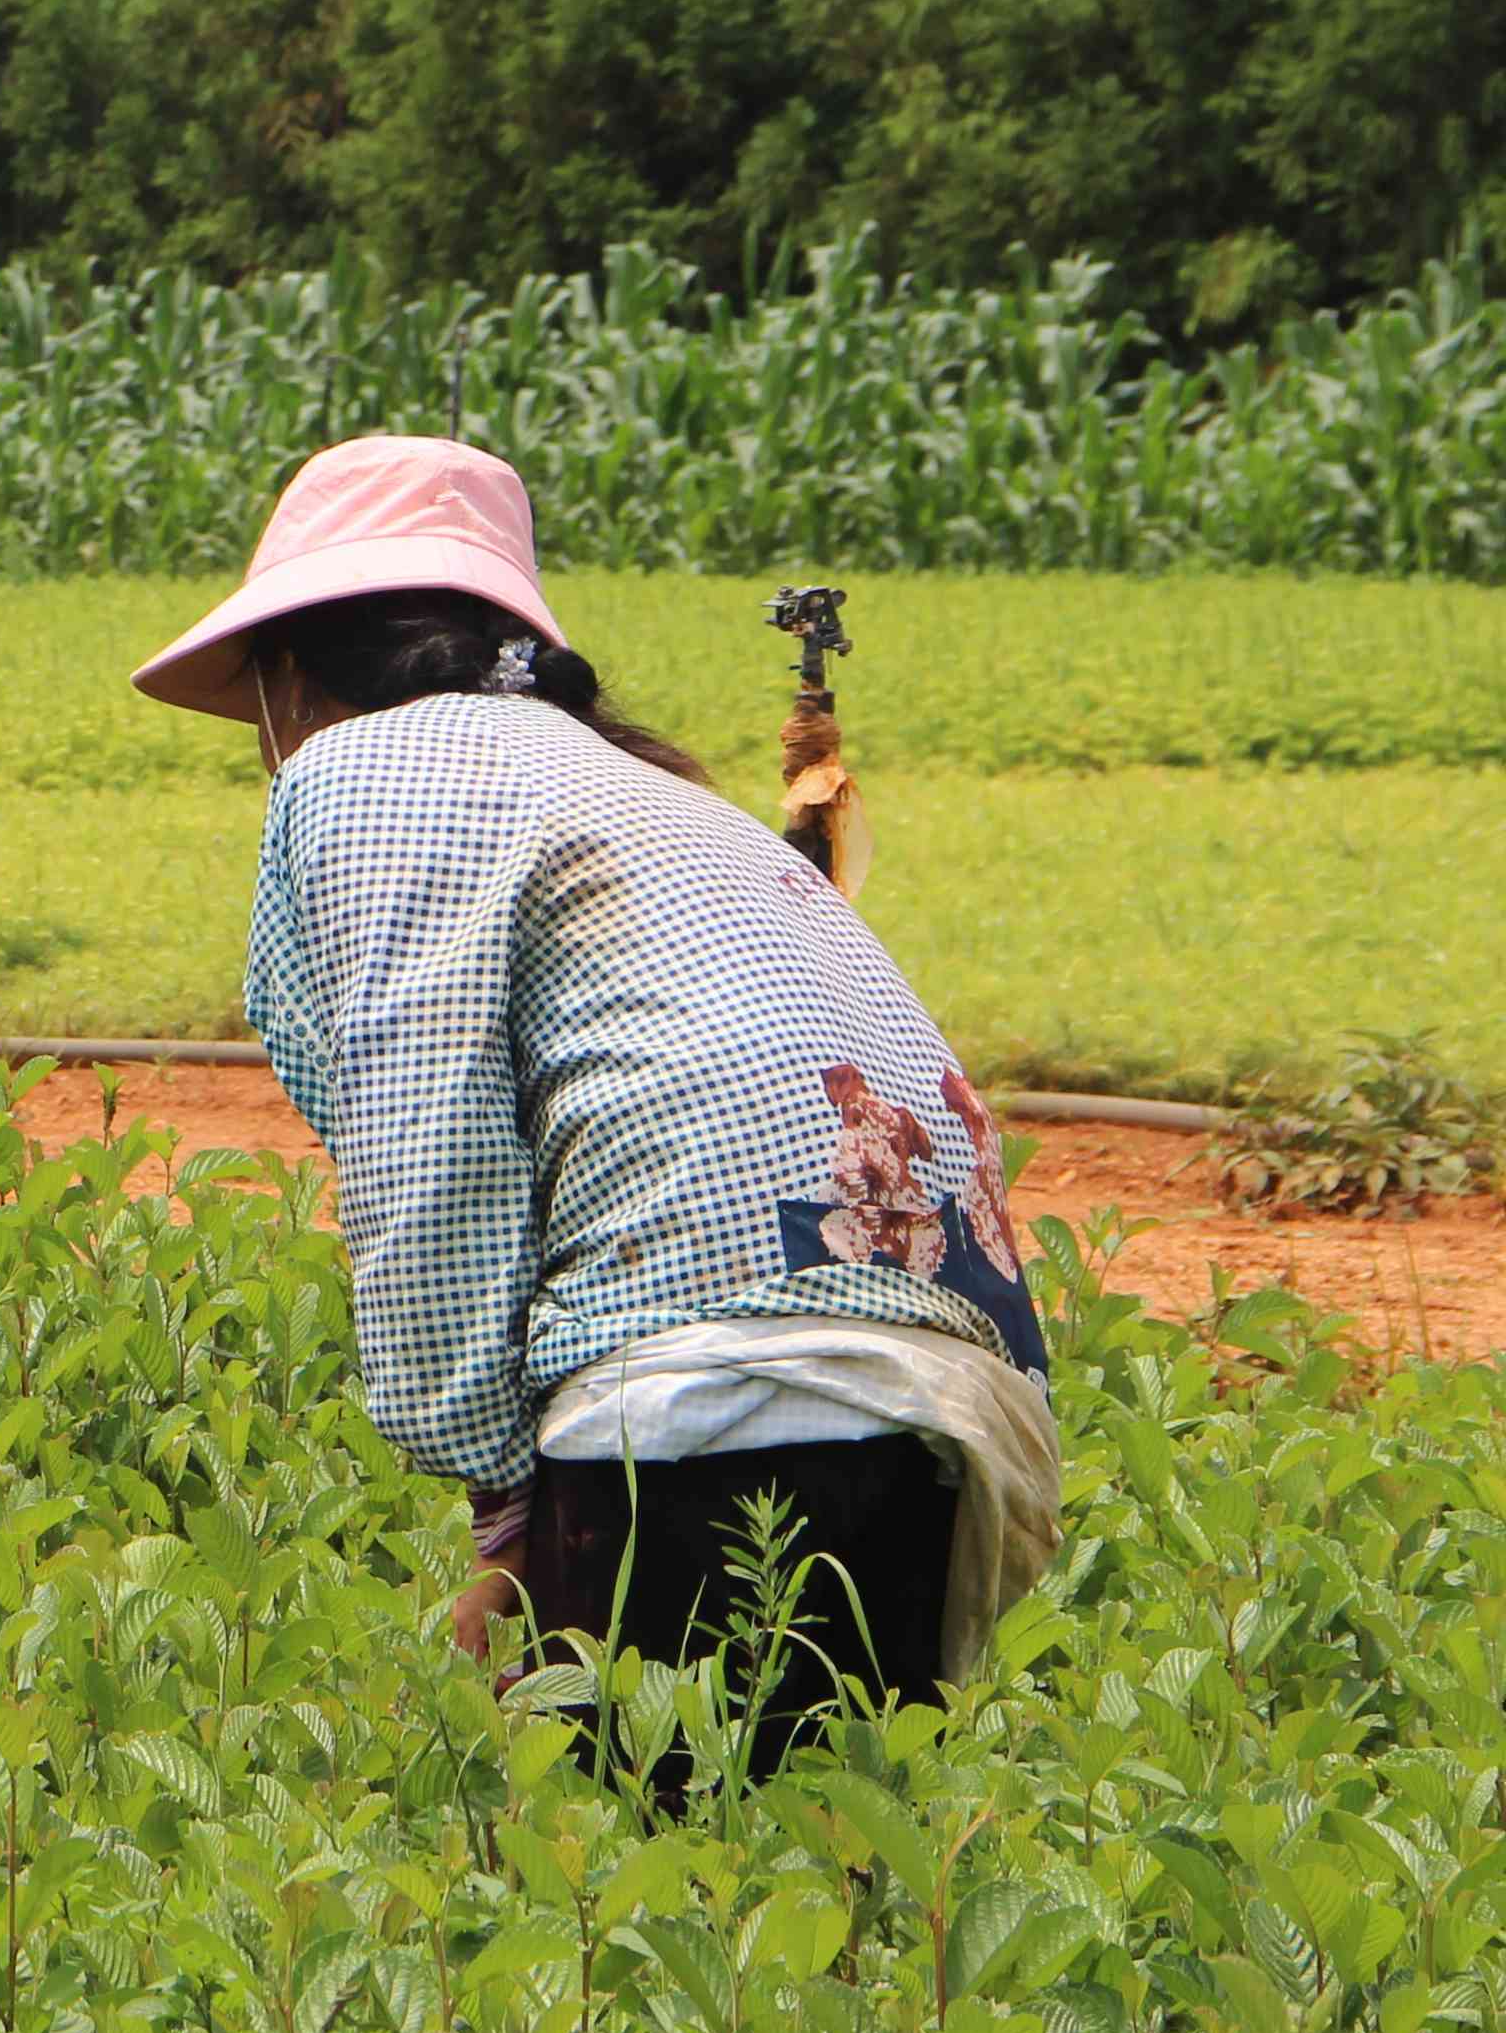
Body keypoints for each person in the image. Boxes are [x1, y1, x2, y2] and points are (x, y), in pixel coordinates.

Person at [134, 436, 1061, 1782]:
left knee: (613, 1921)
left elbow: (428, 1148)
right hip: (948, 1428)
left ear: (286, 673)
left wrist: (504, 1514)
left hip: (697, 1408)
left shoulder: (362, 775)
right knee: (832, 1902)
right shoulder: (664, 798)